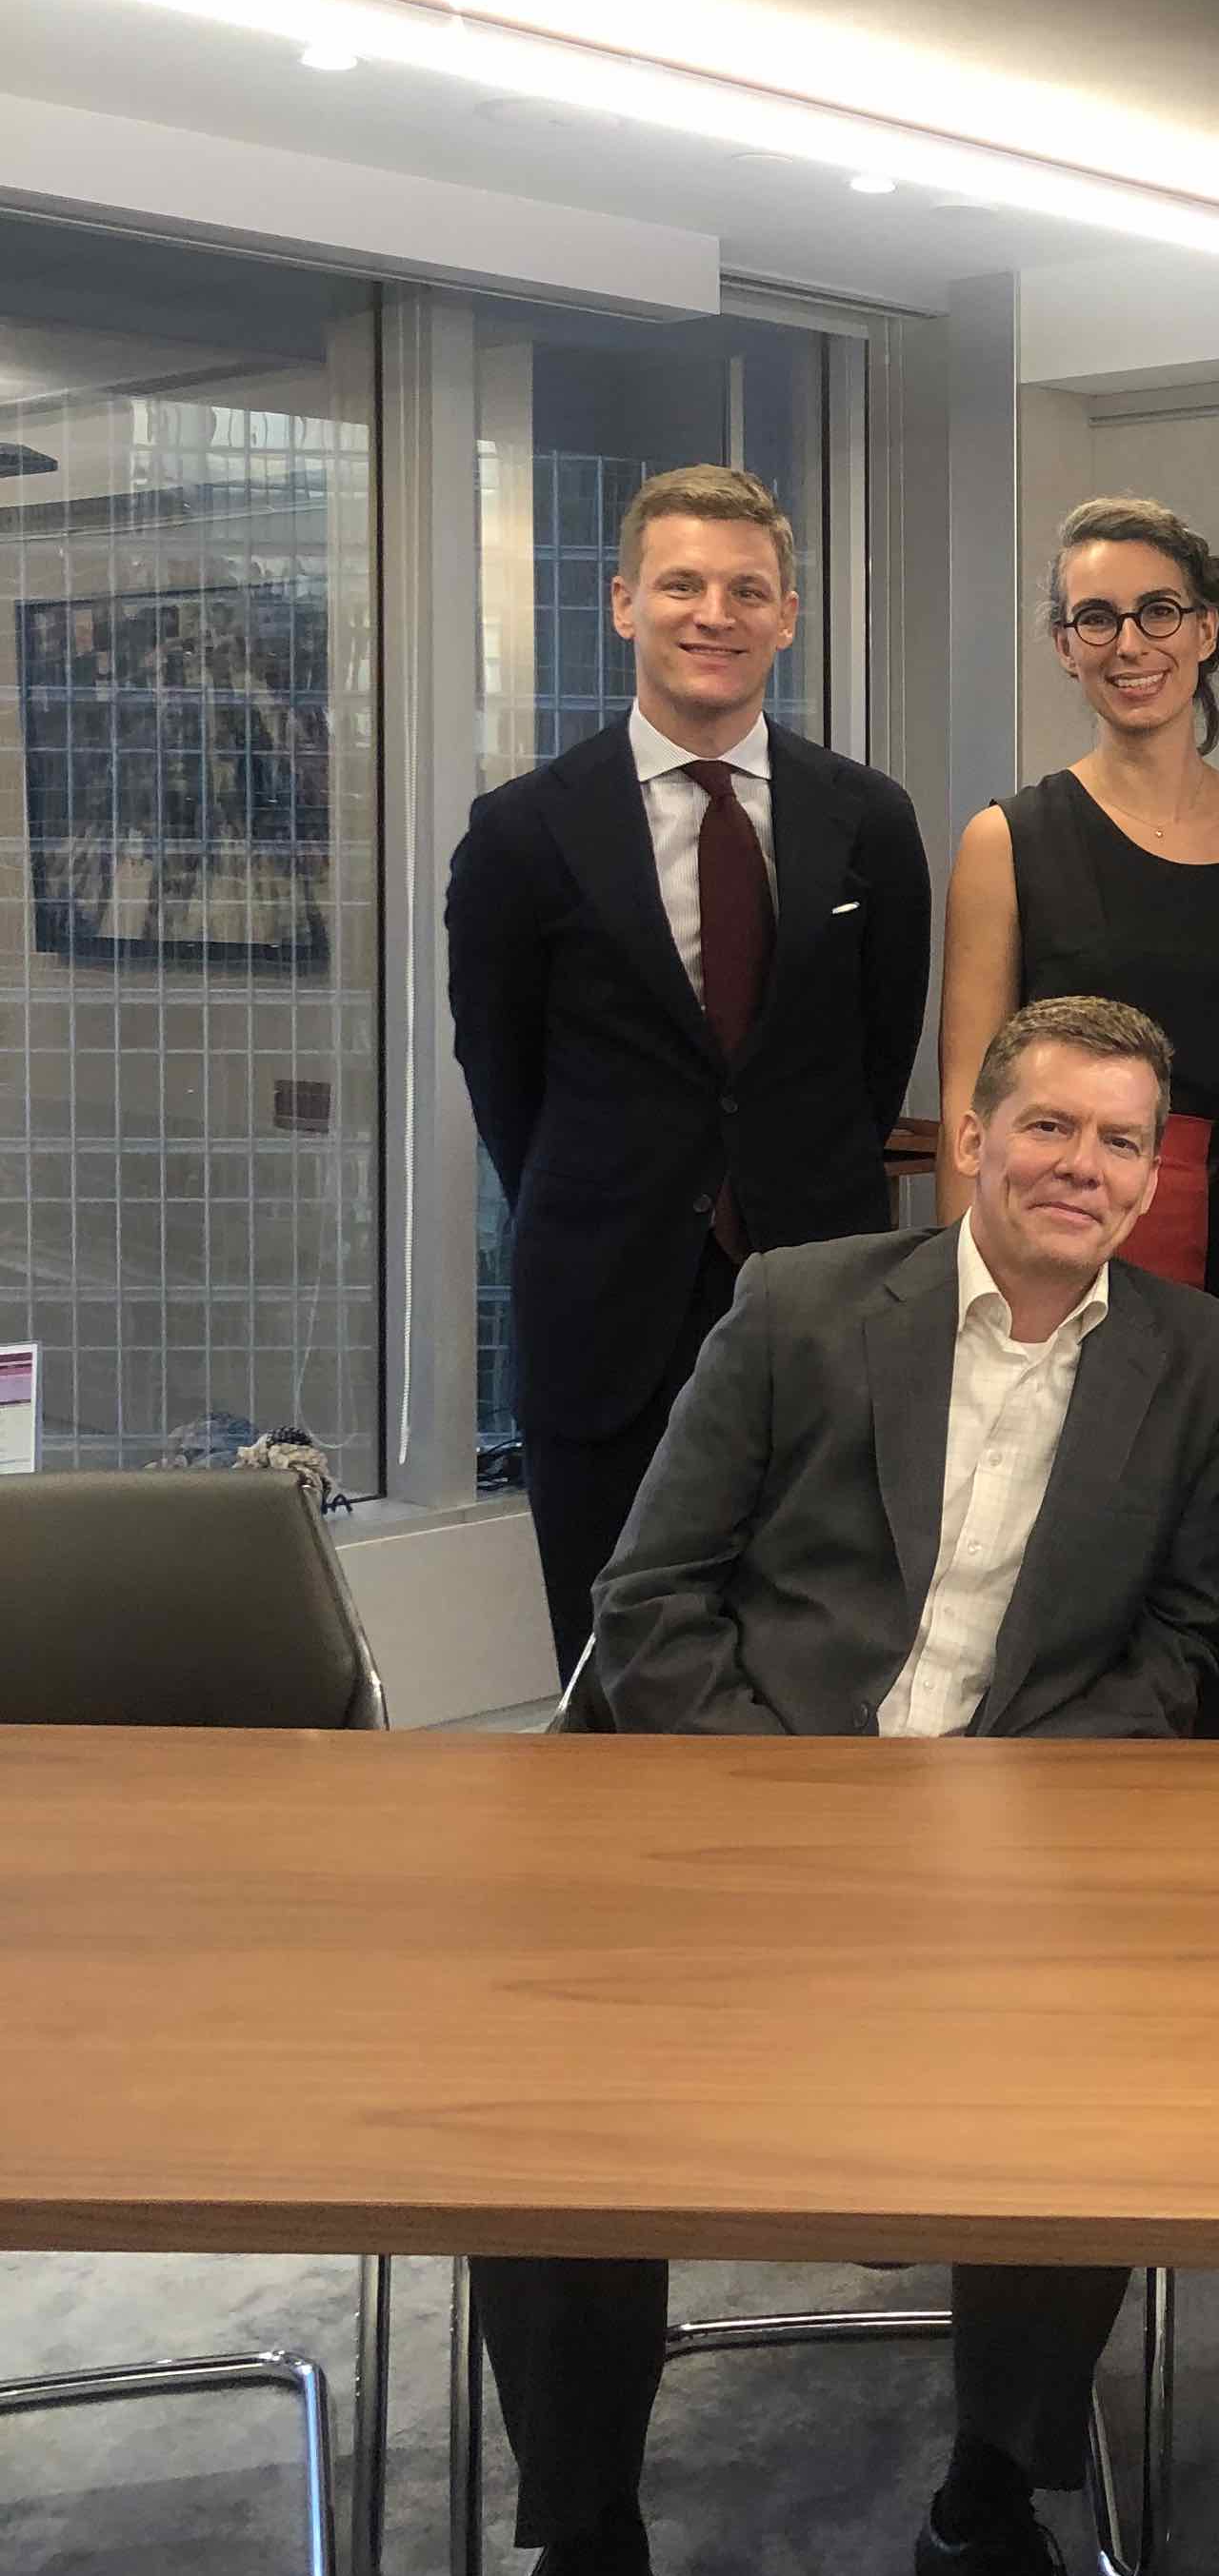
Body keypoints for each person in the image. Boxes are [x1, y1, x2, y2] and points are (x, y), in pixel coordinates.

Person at [464, 998, 1219, 2576]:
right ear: (971, 1138)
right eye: (1047, 1127)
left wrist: (1001, 1826)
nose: (1081, 1168)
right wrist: (807, 1819)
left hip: (1020, 1850)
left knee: (1096, 2096)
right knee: (539, 2116)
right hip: (743, 1821)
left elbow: (1180, 1649)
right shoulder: (804, 1308)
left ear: (1151, 1175)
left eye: (1120, 1142)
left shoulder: (1209, 1362)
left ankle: (983, 2518)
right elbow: (649, 1599)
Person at [446, 463, 933, 1676]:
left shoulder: (869, 822)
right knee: (611, 1667)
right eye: (680, 585)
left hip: (816, 1303)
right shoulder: (522, 834)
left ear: (788, 616)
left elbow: (876, 1062)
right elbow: (505, 1083)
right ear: (623, 603)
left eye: (746, 590)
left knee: (812, 1663)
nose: (714, 614)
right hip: (604, 1312)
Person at [937, 495, 1219, 1736]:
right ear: (1065, 646)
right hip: (1056, 1269)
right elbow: (968, 1109)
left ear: (1207, 629)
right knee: (1062, 1621)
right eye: (1096, 618)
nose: (1130, 643)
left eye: (1159, 611)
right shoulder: (1007, 842)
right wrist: (971, 1332)